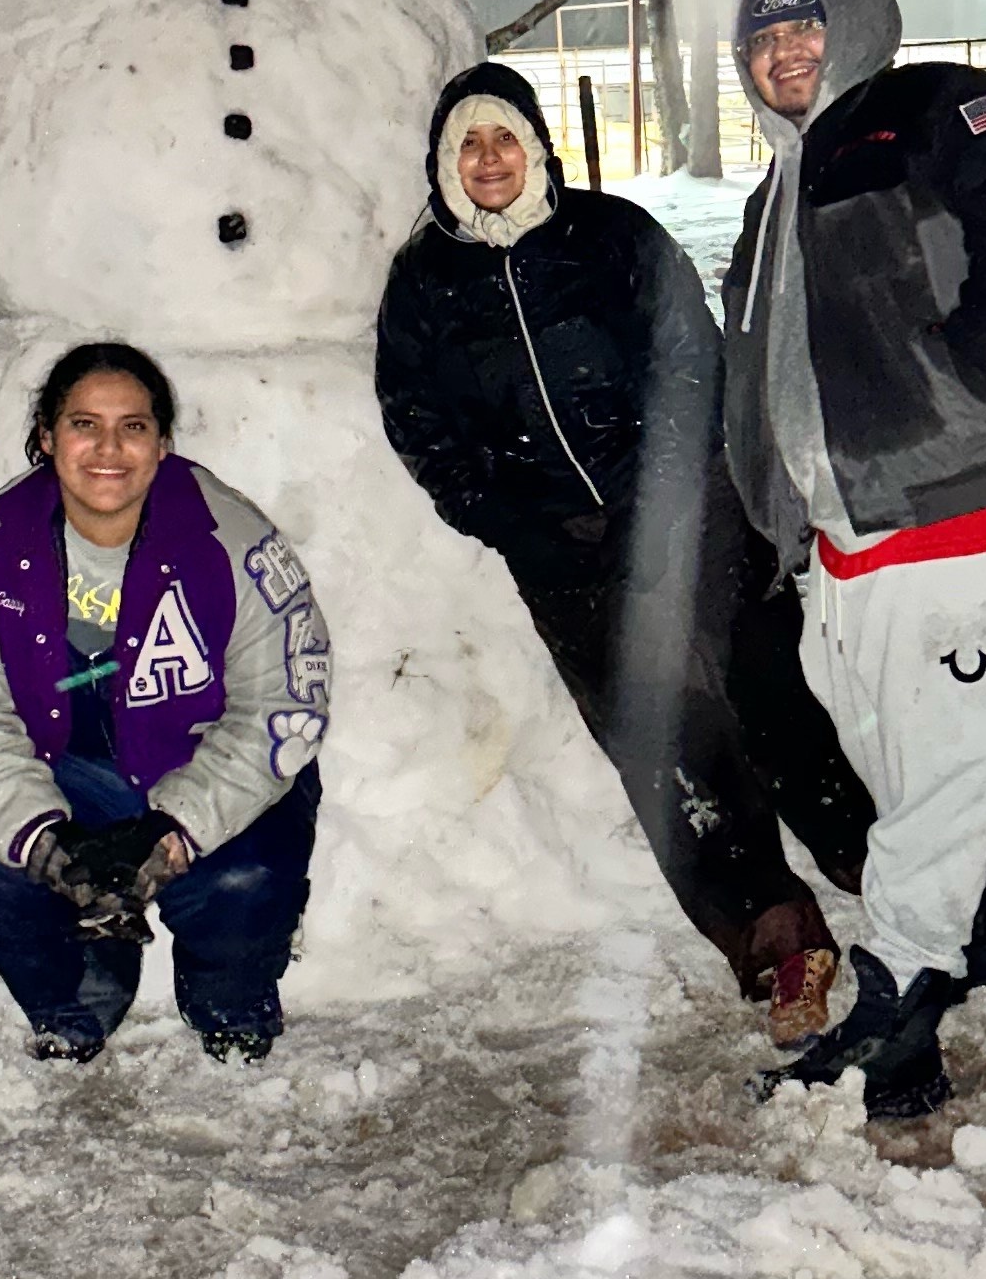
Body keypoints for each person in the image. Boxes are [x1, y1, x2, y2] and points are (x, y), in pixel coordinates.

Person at [374, 60, 872, 1013]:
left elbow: (691, 357)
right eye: (468, 143)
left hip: (697, 514)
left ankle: (883, 871)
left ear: (536, 146)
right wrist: (516, 521)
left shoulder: (612, 236)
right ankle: (773, 937)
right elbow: (420, 423)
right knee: (668, 745)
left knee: (770, 698)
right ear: (443, 160)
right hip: (563, 554)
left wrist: (666, 486)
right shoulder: (423, 283)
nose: (488, 159)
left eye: (504, 137)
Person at [721, 0, 986, 1123]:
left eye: (804, 26)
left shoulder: (931, 111)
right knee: (892, 748)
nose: (786, 53)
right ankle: (981, 916)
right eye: (763, 39)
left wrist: (965, 392)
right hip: (851, 530)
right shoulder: (775, 190)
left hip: (976, 503)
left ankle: (902, 1006)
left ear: (856, 22)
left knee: (935, 762)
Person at [0, 343, 328, 1065]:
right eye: (83, 424)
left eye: (133, 427)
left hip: (195, 769)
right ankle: (81, 981)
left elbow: (281, 705)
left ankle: (228, 991)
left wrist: (174, 832)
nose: (108, 449)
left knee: (244, 883)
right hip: (64, 775)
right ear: (46, 435)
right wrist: (44, 843)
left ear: (163, 442)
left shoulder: (232, 541)